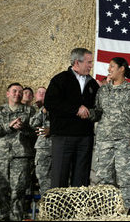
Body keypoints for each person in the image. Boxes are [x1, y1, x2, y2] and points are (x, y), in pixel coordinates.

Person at [89, 57, 130, 213]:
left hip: (126, 142)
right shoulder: (102, 90)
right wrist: (84, 112)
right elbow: (98, 112)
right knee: (104, 180)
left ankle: (123, 212)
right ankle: (107, 212)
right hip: (104, 142)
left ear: (122, 69)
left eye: (112, 66)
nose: (109, 69)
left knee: (125, 179)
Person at [44, 48, 99, 188]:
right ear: (77, 62)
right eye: (88, 62)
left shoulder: (92, 83)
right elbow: (50, 103)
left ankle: (78, 210)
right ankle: (58, 209)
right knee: (59, 178)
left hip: (85, 138)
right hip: (63, 137)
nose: (91, 65)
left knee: (81, 180)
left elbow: (97, 108)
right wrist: (75, 109)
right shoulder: (60, 79)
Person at [0, 83, 36, 221]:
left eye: (20, 92)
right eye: (14, 91)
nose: (17, 94)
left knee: (18, 193)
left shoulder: (30, 111)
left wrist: (24, 128)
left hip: (21, 158)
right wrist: (8, 126)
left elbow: (37, 132)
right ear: (8, 93)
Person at [29, 87, 52, 196]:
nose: (42, 94)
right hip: (42, 149)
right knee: (43, 180)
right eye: (40, 92)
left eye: (45, 93)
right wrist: (42, 111)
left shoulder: (57, 106)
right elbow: (33, 124)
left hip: (58, 148)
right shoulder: (37, 109)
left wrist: (51, 130)